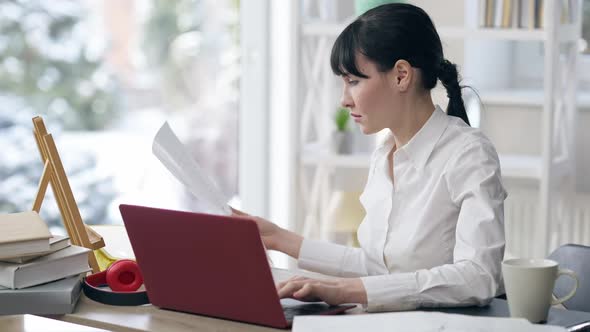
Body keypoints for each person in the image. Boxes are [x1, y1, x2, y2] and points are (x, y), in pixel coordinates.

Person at [234, 3, 507, 312]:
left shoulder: (468, 154)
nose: (344, 99)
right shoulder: (384, 156)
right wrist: (279, 238)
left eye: (353, 81)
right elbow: (378, 266)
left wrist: (351, 290)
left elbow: (479, 276)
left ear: (401, 76)